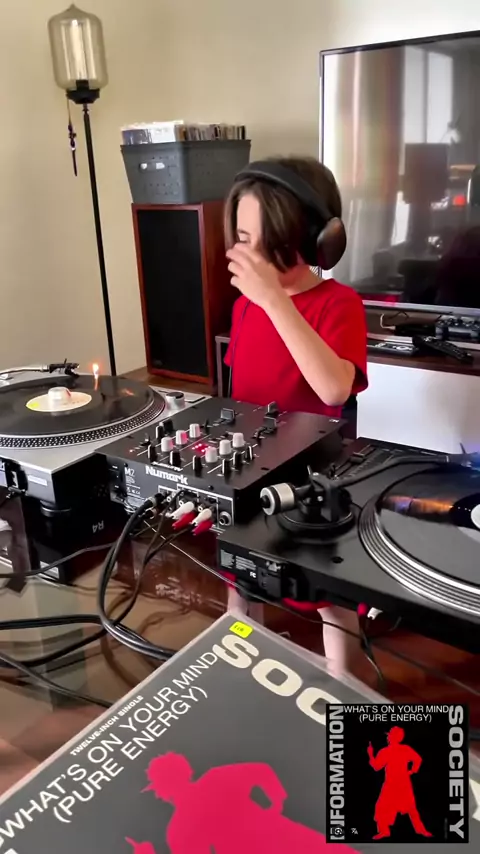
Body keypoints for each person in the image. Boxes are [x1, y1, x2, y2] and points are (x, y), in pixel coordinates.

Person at [222, 156, 369, 680]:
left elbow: (334, 387)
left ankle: (344, 686)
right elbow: (241, 391)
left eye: (271, 243)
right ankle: (239, 665)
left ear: (313, 240)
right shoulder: (244, 307)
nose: (255, 259)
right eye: (245, 240)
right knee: (239, 577)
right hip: (249, 469)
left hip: (312, 479)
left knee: (329, 598)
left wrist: (274, 302)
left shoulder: (338, 303)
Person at [127, 752, 355, 854]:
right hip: (286, 834)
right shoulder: (215, 778)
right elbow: (262, 770)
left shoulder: (179, 829)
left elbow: (261, 771)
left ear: (162, 791)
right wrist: (277, 803)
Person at [368, 726, 432, 840]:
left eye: (390, 735)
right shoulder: (397, 750)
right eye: (389, 735)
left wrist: (370, 754)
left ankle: (420, 830)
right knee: (404, 808)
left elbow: (376, 766)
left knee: (408, 808)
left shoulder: (390, 751)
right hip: (397, 783)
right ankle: (385, 831)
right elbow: (418, 759)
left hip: (397, 784)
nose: (388, 737)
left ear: (393, 738)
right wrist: (412, 771)